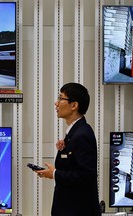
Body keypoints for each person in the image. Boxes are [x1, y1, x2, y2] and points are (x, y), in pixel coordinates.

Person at [35, 82, 101, 216]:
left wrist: (54, 174)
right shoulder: (74, 132)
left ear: (74, 105)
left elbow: (86, 175)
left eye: (61, 98)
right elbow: (73, 165)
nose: (56, 103)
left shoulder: (82, 134)